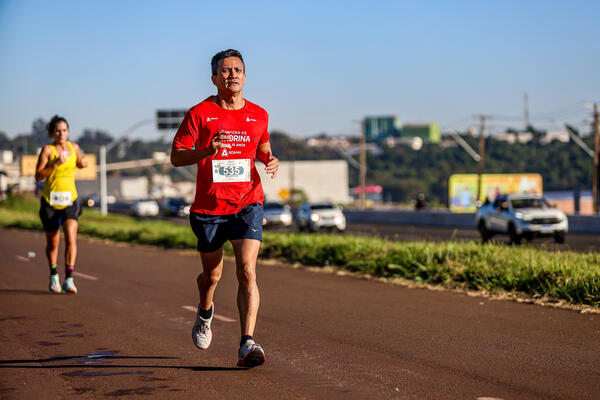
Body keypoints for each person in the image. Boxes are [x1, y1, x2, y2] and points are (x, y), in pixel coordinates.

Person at [170, 49, 279, 368]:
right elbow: (177, 157)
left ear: (245, 76)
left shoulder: (259, 114)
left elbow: (262, 148)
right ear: (214, 77)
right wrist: (207, 150)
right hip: (209, 207)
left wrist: (269, 160)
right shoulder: (199, 113)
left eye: (238, 70)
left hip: (248, 201)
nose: (232, 75)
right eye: (226, 70)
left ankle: (247, 343)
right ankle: (205, 311)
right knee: (211, 275)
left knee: (247, 270)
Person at [35, 115, 88, 294]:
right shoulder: (48, 150)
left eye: (64, 130)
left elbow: (80, 163)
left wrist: (83, 163)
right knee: (53, 243)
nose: (61, 134)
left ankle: (69, 279)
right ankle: (53, 276)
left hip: (70, 200)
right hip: (50, 201)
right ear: (52, 132)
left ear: (68, 131)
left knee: (71, 238)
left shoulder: (74, 148)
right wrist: (56, 164)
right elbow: (38, 175)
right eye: (58, 131)